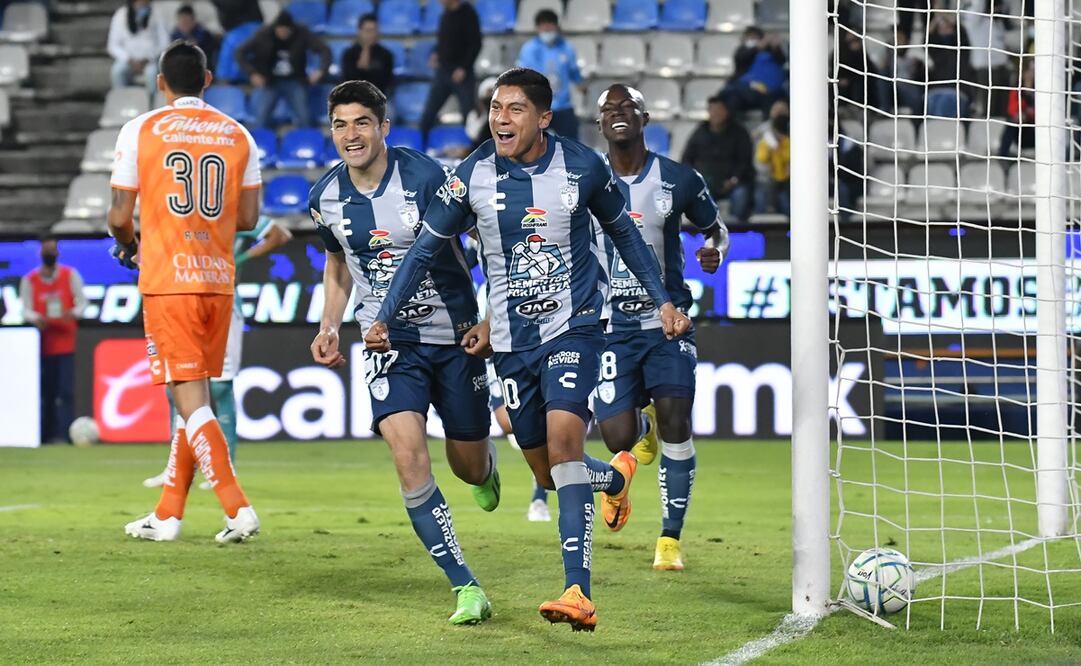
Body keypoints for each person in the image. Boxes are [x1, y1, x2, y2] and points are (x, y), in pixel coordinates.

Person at [366, 67, 690, 631]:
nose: (500, 119)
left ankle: (577, 592)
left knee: (565, 446)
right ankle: (613, 479)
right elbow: (423, 249)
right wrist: (385, 316)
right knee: (547, 470)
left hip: (576, 328)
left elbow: (626, 236)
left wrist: (662, 300)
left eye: (514, 109)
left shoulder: (581, 167)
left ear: (543, 118)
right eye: (495, 108)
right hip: (512, 345)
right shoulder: (473, 174)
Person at [308, 80, 500, 626]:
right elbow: (339, 263)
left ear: (383, 128)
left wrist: (490, 314)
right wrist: (329, 324)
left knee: (466, 466)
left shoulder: (427, 178)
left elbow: (485, 238)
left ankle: (485, 468)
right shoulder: (324, 198)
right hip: (389, 344)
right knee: (408, 454)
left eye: (362, 123)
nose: (351, 135)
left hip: (457, 337)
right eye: (340, 125)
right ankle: (466, 585)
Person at [108, 40, 262, 543]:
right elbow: (247, 218)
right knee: (192, 399)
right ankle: (168, 514)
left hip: (169, 281)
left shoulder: (141, 130)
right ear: (208, 80)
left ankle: (237, 508)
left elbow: (117, 216)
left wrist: (129, 244)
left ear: (160, 83)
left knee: (190, 400)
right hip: (218, 283)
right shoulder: (238, 135)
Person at [592, 84, 725, 572]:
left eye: (627, 107)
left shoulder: (679, 179)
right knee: (616, 439)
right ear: (599, 125)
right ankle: (639, 426)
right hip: (609, 326)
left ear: (644, 118)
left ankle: (669, 539)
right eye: (608, 110)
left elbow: (715, 227)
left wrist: (715, 250)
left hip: (669, 323)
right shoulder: (585, 180)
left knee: (677, 422)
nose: (617, 114)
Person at [143, 215, 293, 489]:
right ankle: (176, 468)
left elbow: (280, 234)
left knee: (221, 388)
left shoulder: (232, 208)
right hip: (183, 298)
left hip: (222, 301)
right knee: (175, 386)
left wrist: (241, 260)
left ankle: (225, 467)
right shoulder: (179, 211)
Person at [20, 235, 87, 444]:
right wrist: (36, 318)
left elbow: (83, 303)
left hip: (66, 342)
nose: (50, 254)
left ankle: (65, 435)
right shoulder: (30, 280)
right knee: (46, 393)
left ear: (57, 252)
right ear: (41, 253)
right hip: (41, 344)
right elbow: (25, 309)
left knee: (66, 392)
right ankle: (45, 435)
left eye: (53, 250)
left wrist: (73, 313)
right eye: (46, 250)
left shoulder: (69, 275)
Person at [236, 11, 331, 128]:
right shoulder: (264, 34)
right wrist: (253, 73)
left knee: (304, 116)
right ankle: (261, 143)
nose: (283, 34)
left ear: (291, 29)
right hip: (270, 80)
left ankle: (307, 141)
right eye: (280, 30)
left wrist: (320, 70)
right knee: (260, 118)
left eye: (286, 31)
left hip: (295, 80)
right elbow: (240, 52)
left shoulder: (302, 33)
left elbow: (324, 50)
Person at [681, 95, 754, 223]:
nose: (716, 113)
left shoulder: (739, 132)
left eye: (719, 109)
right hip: (705, 181)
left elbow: (744, 161)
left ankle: (739, 228)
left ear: (727, 111)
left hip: (733, 181)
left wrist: (733, 180)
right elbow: (687, 159)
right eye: (712, 110)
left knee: (741, 195)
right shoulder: (700, 132)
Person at [516, 9, 584, 139]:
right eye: (543, 25)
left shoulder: (567, 47)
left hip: (563, 106)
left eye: (550, 24)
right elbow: (522, 78)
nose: (547, 28)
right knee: (531, 146)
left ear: (557, 26)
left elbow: (575, 73)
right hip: (537, 107)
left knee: (573, 147)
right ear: (537, 27)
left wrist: (581, 84)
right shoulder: (529, 49)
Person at [419, 0, 482, 139]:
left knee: (469, 116)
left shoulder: (468, 13)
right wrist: (437, 53)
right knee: (428, 114)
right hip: (443, 72)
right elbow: (443, 41)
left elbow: (475, 44)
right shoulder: (445, 15)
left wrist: (463, 68)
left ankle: (474, 152)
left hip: (462, 74)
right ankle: (421, 150)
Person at [107, 0, 169, 93]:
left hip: (149, 60)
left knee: (152, 74)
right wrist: (129, 60)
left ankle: (151, 103)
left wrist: (149, 58)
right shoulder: (120, 15)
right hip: (128, 61)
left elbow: (164, 42)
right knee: (117, 71)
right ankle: (122, 101)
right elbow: (113, 45)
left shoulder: (156, 13)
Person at [721, 30, 786, 114]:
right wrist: (757, 48)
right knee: (730, 96)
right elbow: (742, 58)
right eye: (750, 38)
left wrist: (776, 48)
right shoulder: (742, 51)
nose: (753, 41)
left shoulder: (769, 52)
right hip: (745, 90)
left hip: (766, 91)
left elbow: (782, 61)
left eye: (755, 38)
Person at [340, 14, 394, 93]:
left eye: (374, 31)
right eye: (368, 31)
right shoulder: (349, 54)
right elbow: (348, 81)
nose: (371, 35)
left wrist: (366, 69)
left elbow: (385, 82)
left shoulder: (386, 54)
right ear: (360, 31)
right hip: (354, 98)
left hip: (378, 99)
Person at [754, 99, 790, 216]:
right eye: (776, 110)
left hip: (790, 177)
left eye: (783, 110)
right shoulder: (762, 132)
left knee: (788, 197)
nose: (779, 113)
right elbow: (758, 160)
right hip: (767, 176)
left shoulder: (797, 130)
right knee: (762, 195)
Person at [998, 60, 1034, 156]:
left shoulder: (1042, 92)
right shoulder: (1016, 91)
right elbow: (1012, 111)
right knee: (1011, 125)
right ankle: (1002, 156)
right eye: (1029, 71)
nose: (1031, 74)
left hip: (1036, 129)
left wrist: (1028, 115)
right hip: (1021, 131)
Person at [171, 4, 219, 69]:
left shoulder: (204, 35)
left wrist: (198, 48)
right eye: (181, 21)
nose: (184, 24)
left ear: (193, 21)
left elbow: (211, 56)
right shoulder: (174, 36)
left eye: (187, 21)